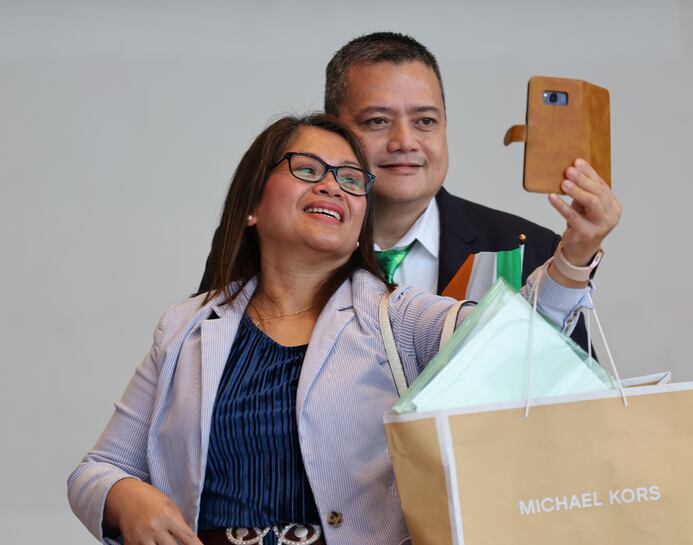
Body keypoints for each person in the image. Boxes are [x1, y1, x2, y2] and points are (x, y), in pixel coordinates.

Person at [68, 113, 618, 545]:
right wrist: (125, 497)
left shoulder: (395, 315)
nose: (334, 186)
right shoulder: (186, 326)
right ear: (253, 205)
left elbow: (515, 340)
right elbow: (97, 469)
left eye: (352, 179)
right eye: (308, 169)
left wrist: (575, 254)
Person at [197, 33, 620, 349]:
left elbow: (567, 399)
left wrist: (574, 260)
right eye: (378, 121)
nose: (405, 142)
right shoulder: (280, 243)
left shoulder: (527, 248)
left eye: (425, 121)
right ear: (334, 131)